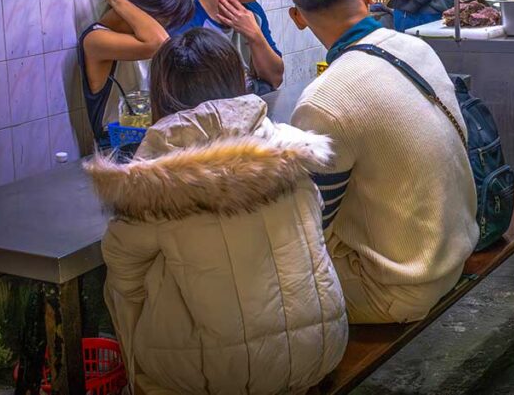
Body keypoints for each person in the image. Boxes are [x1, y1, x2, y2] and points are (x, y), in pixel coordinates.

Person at [87, 28, 347, 393]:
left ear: (162, 96)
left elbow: (121, 267)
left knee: (132, 277)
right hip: (323, 346)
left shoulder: (155, 178)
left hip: (222, 374)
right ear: (237, 80)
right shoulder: (287, 147)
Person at [282, 0, 479, 323]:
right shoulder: (415, 47)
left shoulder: (322, 101)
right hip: (457, 250)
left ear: (297, 17)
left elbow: (309, 227)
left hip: (395, 290)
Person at [80, 0, 202, 148]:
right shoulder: (95, 39)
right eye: (163, 22)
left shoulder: (145, 33)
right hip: (116, 147)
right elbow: (160, 43)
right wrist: (119, 0)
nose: (164, 27)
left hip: (150, 137)